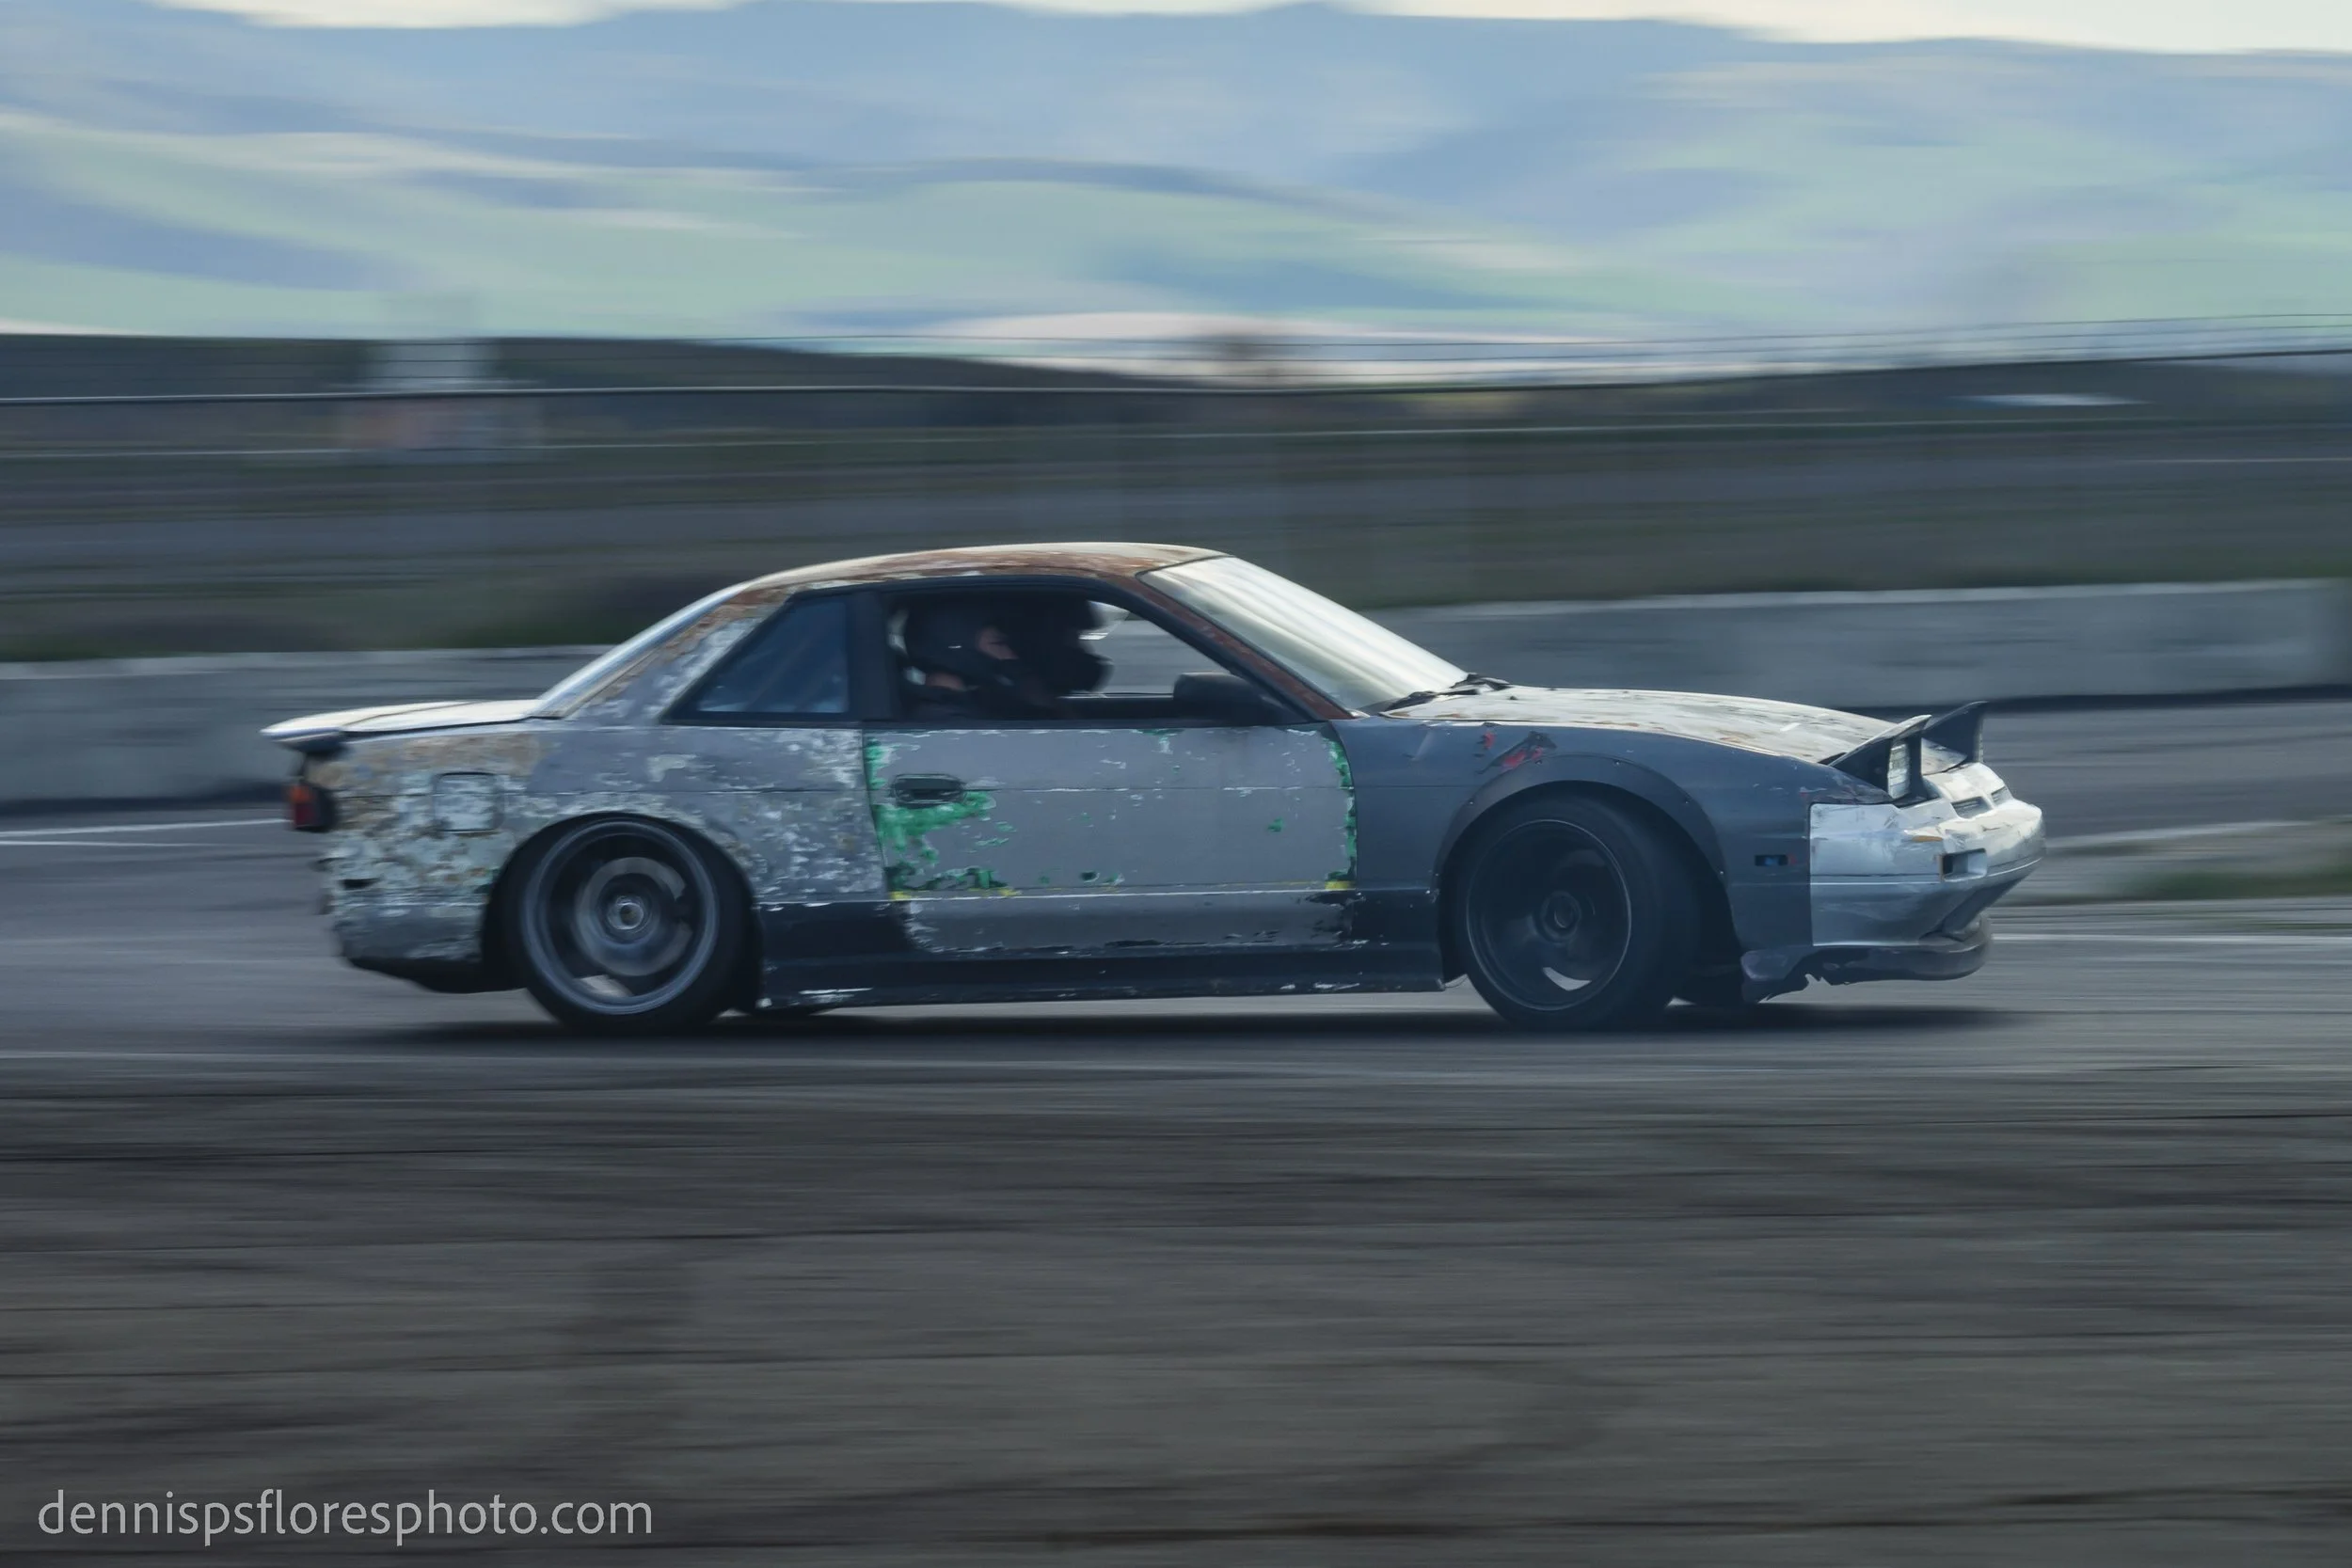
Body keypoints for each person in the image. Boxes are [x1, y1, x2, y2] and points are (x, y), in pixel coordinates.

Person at [900, 595, 1096, 720]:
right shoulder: (947, 720)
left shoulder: (978, 702)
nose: (1011, 655)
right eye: (1000, 643)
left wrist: (1034, 691)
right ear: (954, 647)